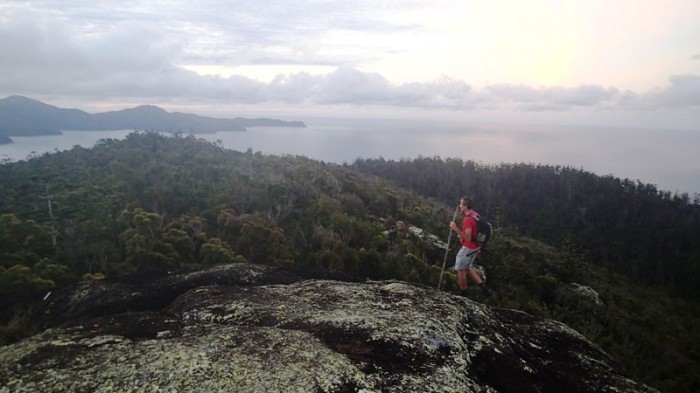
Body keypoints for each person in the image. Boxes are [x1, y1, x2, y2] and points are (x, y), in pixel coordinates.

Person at [449, 196, 492, 298]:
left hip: (468, 248)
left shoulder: (468, 219)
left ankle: (463, 294)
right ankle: (485, 289)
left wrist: (455, 228)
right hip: (476, 246)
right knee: (467, 267)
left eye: (461, 204)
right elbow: (473, 234)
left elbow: (468, 238)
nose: (459, 206)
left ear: (465, 206)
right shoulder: (476, 215)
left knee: (460, 269)